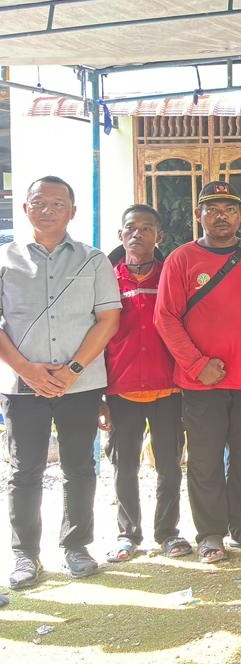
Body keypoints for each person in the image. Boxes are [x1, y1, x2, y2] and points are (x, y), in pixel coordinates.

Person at [1, 177, 121, 589]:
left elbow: (108, 319)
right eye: (39, 202)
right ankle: (25, 555)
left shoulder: (93, 260)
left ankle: (76, 546)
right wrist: (27, 369)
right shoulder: (5, 259)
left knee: (79, 467)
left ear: (72, 211)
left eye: (57, 203)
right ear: (25, 208)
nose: (48, 210)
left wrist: (72, 370)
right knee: (24, 471)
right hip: (23, 387)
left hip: (80, 385)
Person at [155, 180, 241, 564]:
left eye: (229, 209)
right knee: (205, 461)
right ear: (198, 215)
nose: (221, 216)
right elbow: (165, 318)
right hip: (200, 384)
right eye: (212, 209)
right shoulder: (181, 259)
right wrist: (197, 365)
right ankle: (210, 534)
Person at [101, 205, 191, 562]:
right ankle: (128, 535)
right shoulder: (106, 279)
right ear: (120, 235)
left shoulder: (172, 277)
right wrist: (98, 396)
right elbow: (95, 337)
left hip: (169, 388)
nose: (137, 234)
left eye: (146, 228)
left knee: (169, 466)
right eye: (130, 228)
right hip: (121, 390)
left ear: (159, 236)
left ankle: (168, 533)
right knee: (124, 467)